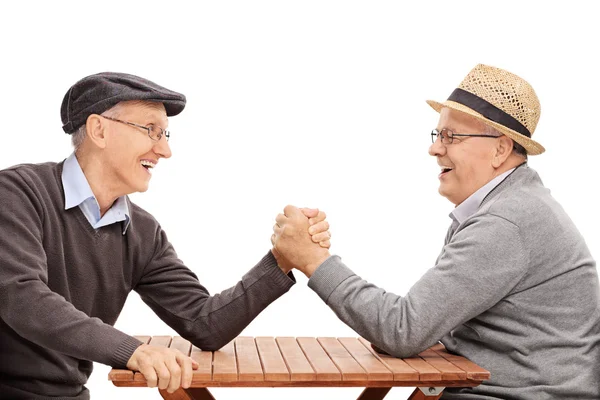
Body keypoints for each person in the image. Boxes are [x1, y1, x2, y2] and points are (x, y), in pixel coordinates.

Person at [272, 64, 600, 399]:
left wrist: (313, 258)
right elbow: (422, 329)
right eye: (437, 135)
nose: (435, 148)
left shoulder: (506, 222)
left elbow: (404, 330)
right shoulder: (506, 208)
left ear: (500, 150)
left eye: (451, 137)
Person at [0, 72, 330, 399]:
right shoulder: (17, 194)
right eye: (150, 130)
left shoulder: (142, 232)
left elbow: (204, 323)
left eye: (166, 134)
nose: (165, 150)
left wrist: (282, 259)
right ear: (98, 129)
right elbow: (21, 298)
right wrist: (132, 351)